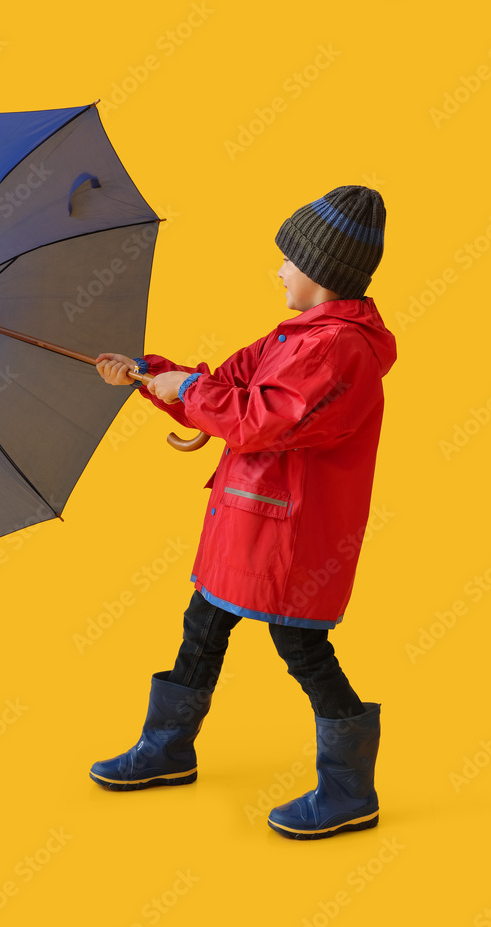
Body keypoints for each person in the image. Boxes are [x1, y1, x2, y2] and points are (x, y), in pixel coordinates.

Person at [90, 185, 397, 840]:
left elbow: (258, 419)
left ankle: (349, 788)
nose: (279, 269)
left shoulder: (336, 348)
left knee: (300, 646)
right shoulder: (295, 335)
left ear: (320, 271)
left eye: (287, 259)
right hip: (247, 521)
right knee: (202, 626)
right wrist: (149, 374)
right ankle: (167, 749)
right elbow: (226, 390)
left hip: (287, 536)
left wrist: (191, 391)